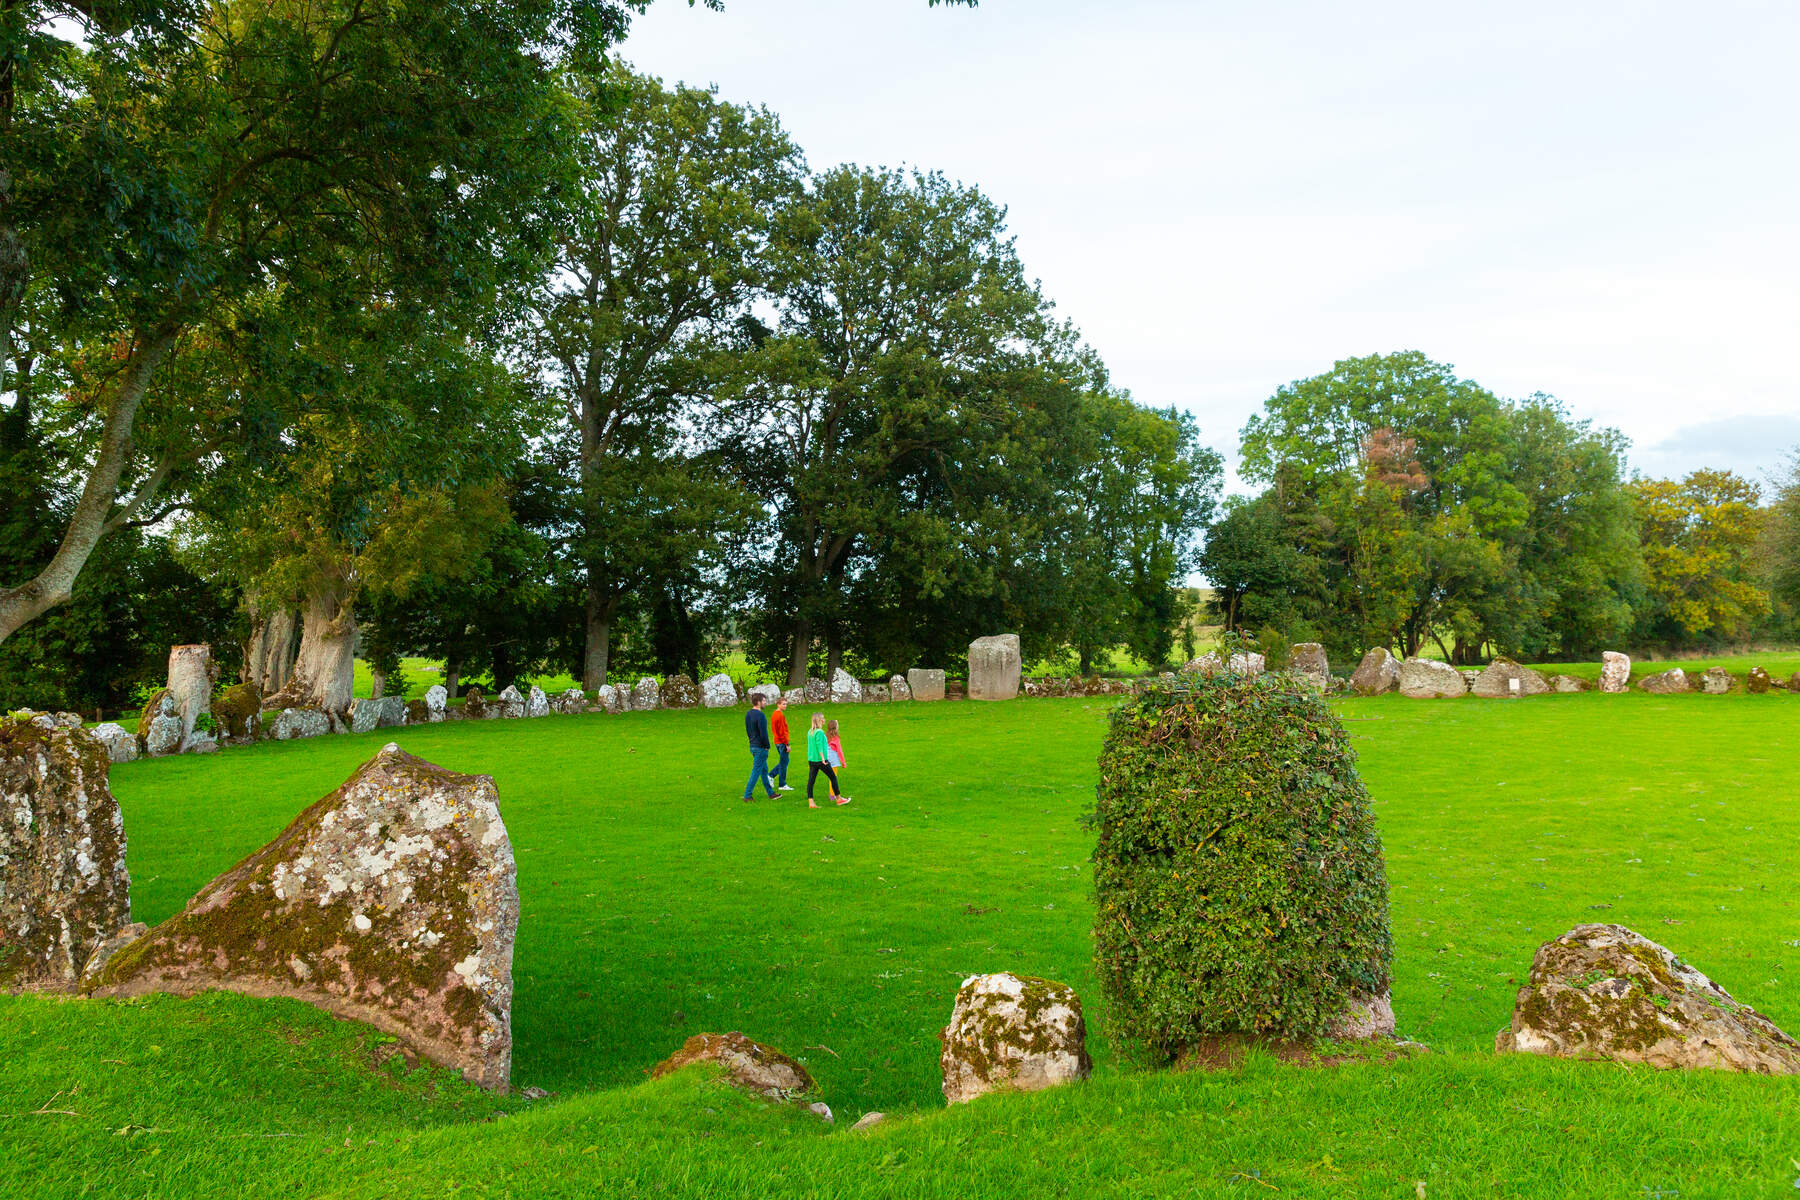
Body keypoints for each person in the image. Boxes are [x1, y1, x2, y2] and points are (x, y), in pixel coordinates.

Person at [805, 712, 850, 808]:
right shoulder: (820, 732)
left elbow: (811, 746)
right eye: (823, 718)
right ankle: (839, 799)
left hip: (812, 760)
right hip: (821, 761)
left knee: (811, 781)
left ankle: (811, 802)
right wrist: (823, 759)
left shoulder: (810, 732)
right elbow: (819, 746)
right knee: (833, 777)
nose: (824, 719)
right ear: (820, 720)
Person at [741, 693, 778, 803]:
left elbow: (748, 731)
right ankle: (747, 795)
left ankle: (771, 793)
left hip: (753, 746)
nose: (765, 703)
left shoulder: (748, 714)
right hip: (760, 747)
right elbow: (763, 733)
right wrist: (767, 746)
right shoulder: (760, 715)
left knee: (764, 770)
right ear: (758, 702)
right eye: (764, 701)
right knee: (756, 771)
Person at [769, 694, 795, 791]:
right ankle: (781, 784)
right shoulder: (780, 715)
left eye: (786, 704)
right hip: (781, 742)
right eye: (783, 704)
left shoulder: (774, 714)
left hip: (777, 741)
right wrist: (786, 744)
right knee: (784, 763)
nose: (785, 706)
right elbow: (782, 731)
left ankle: (771, 776)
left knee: (784, 761)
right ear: (778, 704)